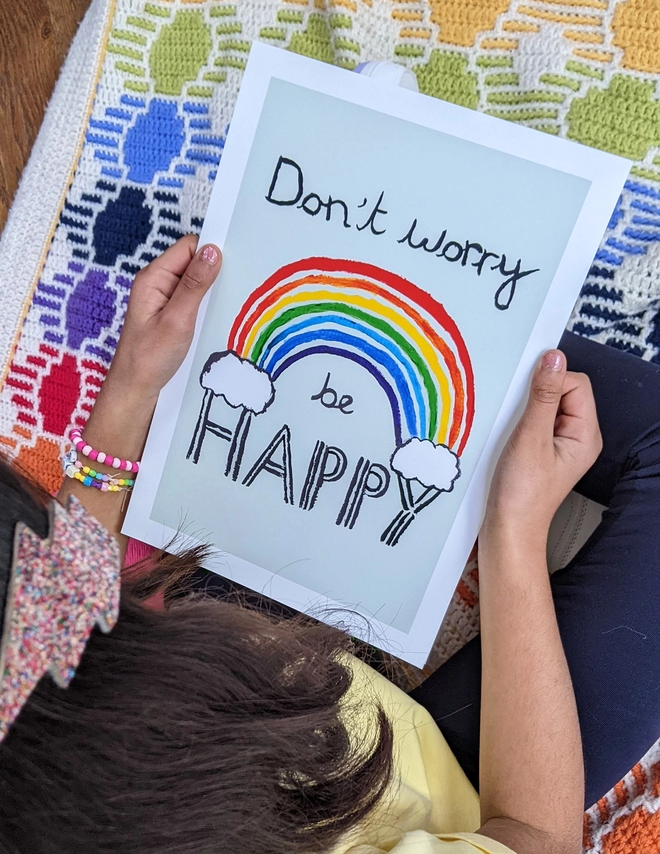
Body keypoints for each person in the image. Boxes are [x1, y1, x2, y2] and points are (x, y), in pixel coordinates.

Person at [0, 235, 658, 854]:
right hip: (454, 788)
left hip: (236, 681)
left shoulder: (59, 681)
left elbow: (51, 613)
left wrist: (131, 390)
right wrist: (512, 530)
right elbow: (535, 839)